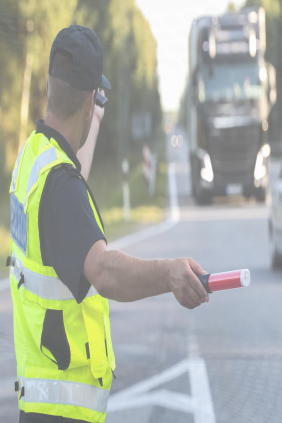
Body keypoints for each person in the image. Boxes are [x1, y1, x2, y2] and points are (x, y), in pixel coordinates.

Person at [8, 25, 209, 423]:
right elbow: (102, 270)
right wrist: (169, 273)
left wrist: (92, 119)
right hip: (64, 410)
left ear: (49, 86)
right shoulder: (60, 189)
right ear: (89, 97)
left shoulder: (33, 158)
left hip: (39, 398)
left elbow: (69, 190)